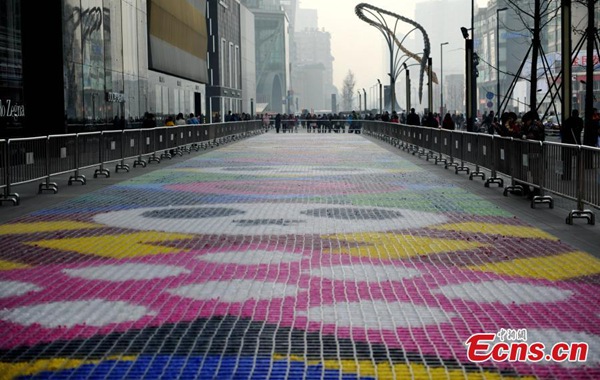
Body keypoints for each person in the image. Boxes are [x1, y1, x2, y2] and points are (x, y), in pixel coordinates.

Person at [560, 109, 583, 180]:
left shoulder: (568, 121)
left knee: (568, 158)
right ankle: (579, 173)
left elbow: (564, 130)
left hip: (569, 142)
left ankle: (567, 175)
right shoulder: (579, 120)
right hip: (576, 141)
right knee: (579, 157)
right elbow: (581, 128)